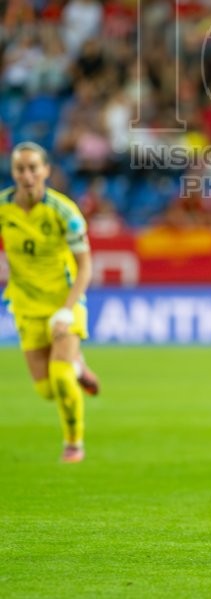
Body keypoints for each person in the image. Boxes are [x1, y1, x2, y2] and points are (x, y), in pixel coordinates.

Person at [0, 142, 101, 463]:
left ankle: (74, 444)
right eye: (20, 169)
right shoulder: (3, 208)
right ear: (13, 172)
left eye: (33, 168)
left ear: (46, 170)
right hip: (25, 303)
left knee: (60, 377)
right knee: (46, 391)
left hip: (64, 301)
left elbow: (85, 266)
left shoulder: (64, 212)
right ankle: (78, 365)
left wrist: (66, 310)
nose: (27, 175)